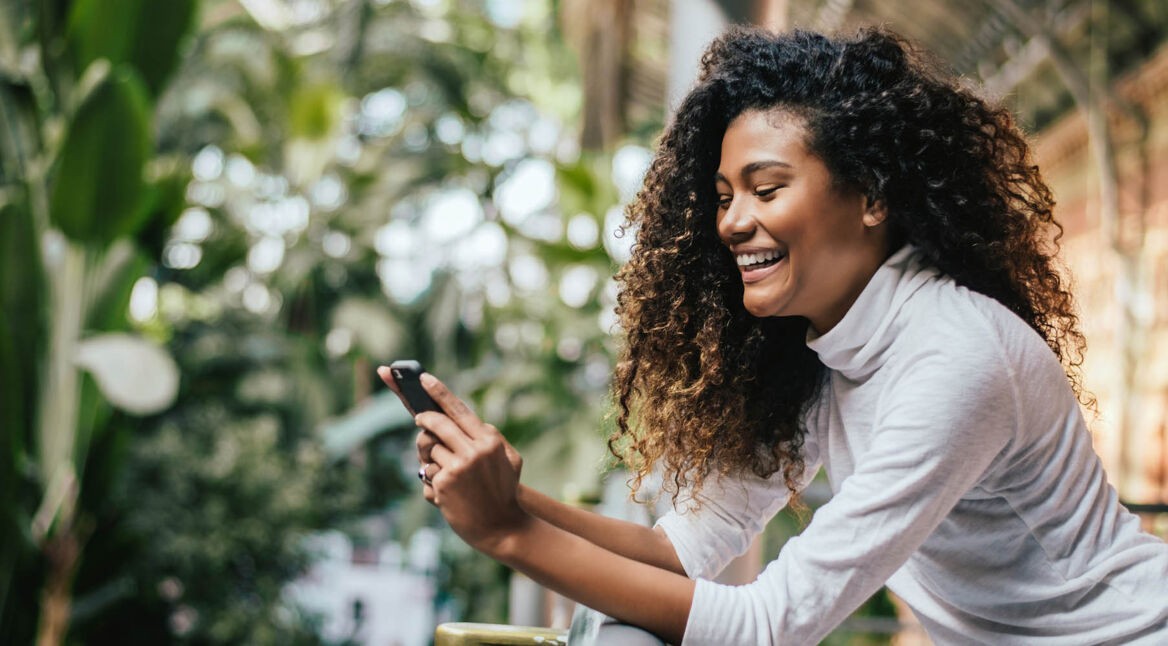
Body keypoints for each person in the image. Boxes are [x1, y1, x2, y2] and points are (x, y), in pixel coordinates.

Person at [377, 26, 1168, 645]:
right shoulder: (829, 349)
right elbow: (683, 550)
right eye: (724, 196)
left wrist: (510, 535)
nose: (733, 222)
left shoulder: (955, 357)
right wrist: (512, 498)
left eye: (767, 187)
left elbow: (769, 626)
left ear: (872, 196)